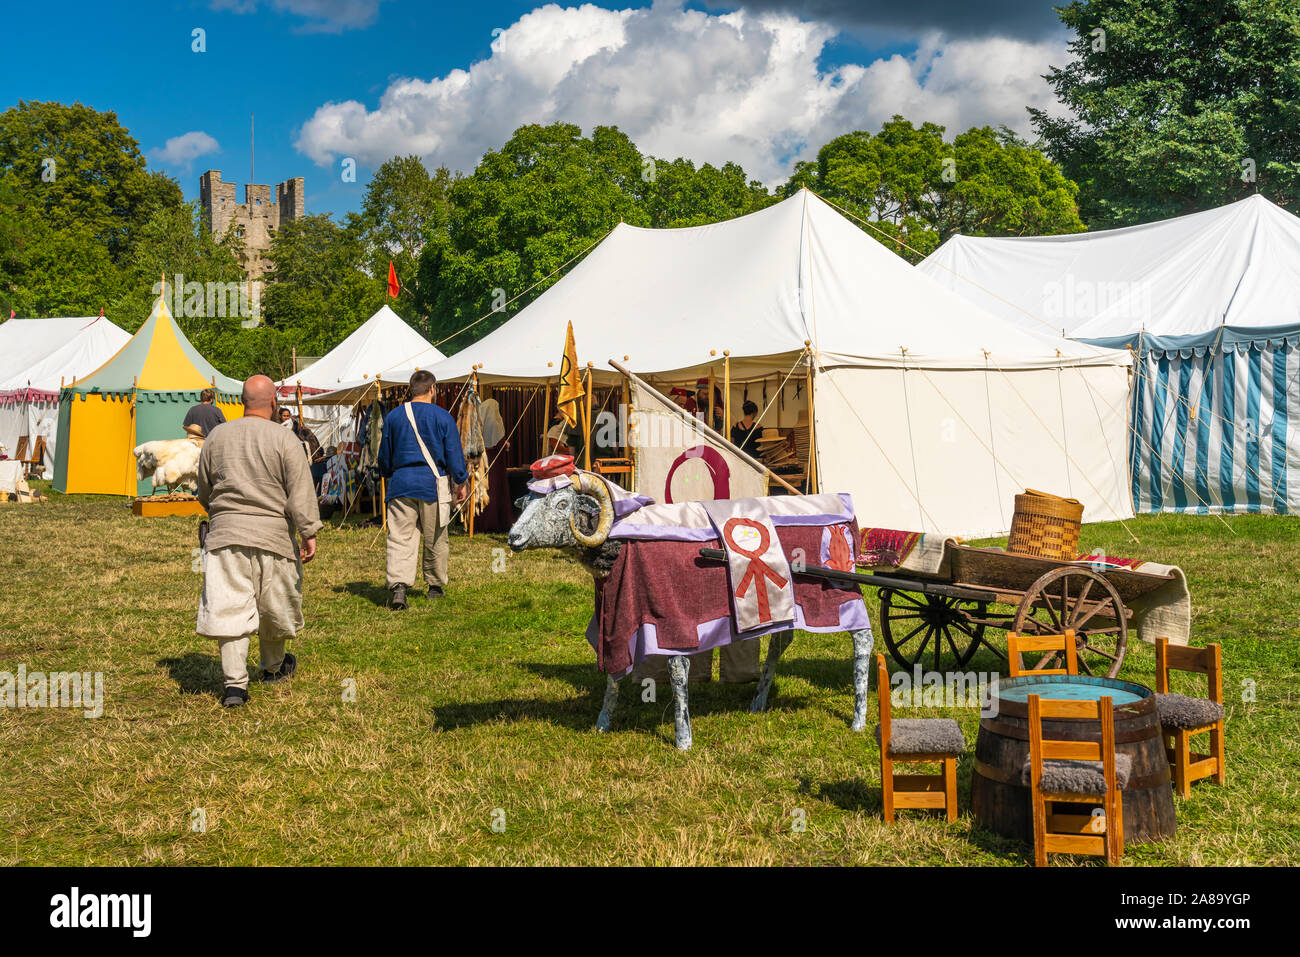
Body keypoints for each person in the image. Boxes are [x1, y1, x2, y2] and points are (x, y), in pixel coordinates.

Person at [195, 375, 321, 708]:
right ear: (273, 403)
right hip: (274, 537)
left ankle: (235, 686)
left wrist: (221, 514)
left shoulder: (216, 437)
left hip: (225, 536)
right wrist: (308, 531)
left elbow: (204, 490)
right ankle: (275, 669)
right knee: (274, 606)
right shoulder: (285, 440)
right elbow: (300, 491)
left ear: (242, 401)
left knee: (230, 607)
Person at [378, 370, 469, 609]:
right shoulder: (443, 417)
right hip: (432, 485)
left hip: (401, 484)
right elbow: (453, 453)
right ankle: (435, 586)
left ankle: (399, 588)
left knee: (400, 538)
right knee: (436, 537)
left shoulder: (394, 417)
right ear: (432, 389)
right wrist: (461, 480)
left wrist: (390, 473)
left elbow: (384, 456)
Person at [475, 391, 514, 532]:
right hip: (496, 464)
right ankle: (495, 523)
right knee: (496, 492)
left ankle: (481, 523)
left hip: (482, 463)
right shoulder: (497, 424)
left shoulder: (478, 425)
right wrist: (506, 445)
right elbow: (500, 444)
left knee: (482, 491)